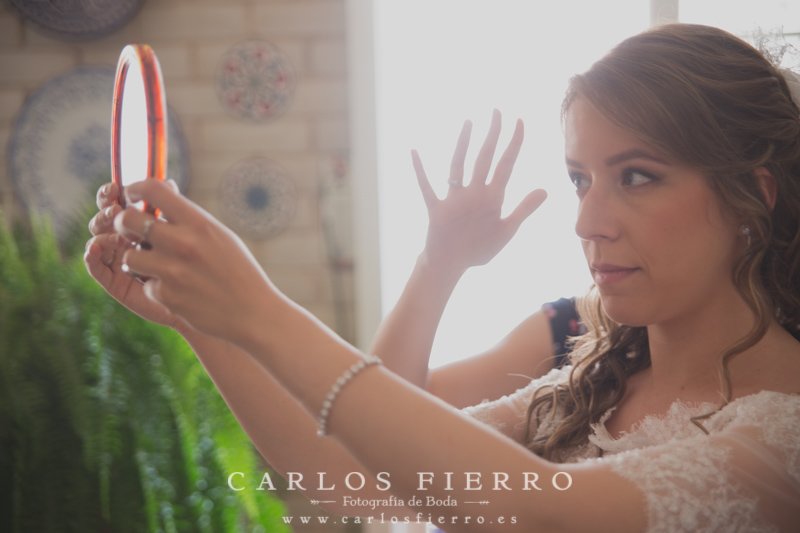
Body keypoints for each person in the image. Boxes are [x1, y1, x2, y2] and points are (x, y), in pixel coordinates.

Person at [85, 23, 800, 531]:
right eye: (580, 180)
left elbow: (540, 513)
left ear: (754, 195)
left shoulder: (784, 432)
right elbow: (349, 478)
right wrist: (204, 321)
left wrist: (259, 309)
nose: (588, 221)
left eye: (637, 176)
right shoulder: (582, 390)